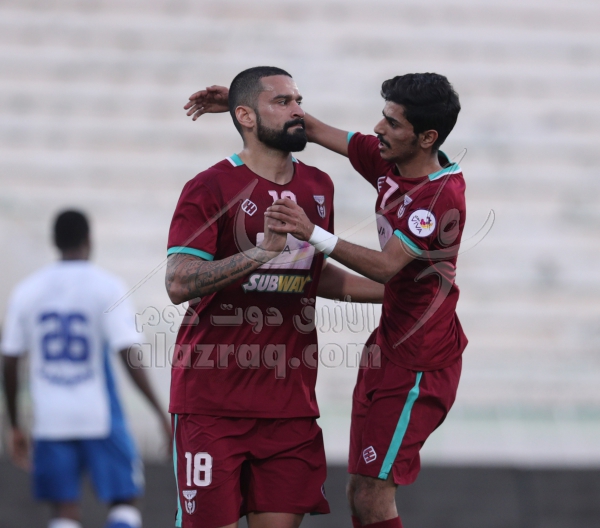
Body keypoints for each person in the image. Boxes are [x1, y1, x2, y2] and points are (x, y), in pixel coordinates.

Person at [185, 72, 467, 528]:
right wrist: (242, 104)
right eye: (384, 117)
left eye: (393, 123)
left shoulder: (438, 197)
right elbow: (313, 129)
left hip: (420, 360)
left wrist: (309, 231)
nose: (378, 129)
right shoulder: (391, 160)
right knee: (360, 492)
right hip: (386, 346)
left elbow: (386, 267)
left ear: (426, 138)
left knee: (373, 495)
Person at [167, 65, 383, 528]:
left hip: (289, 408)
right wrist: (260, 252)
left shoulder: (318, 186)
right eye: (282, 102)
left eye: (299, 100)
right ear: (245, 116)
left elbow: (310, 274)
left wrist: (395, 291)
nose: (297, 110)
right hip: (212, 404)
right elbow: (179, 282)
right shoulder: (210, 186)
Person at [2, 210, 171, 528]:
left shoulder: (27, 291)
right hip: (100, 416)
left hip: (50, 418)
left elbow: (10, 362)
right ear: (89, 240)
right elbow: (127, 352)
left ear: (54, 241)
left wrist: (15, 425)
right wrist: (159, 412)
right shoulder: (106, 286)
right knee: (125, 500)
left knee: (64, 511)